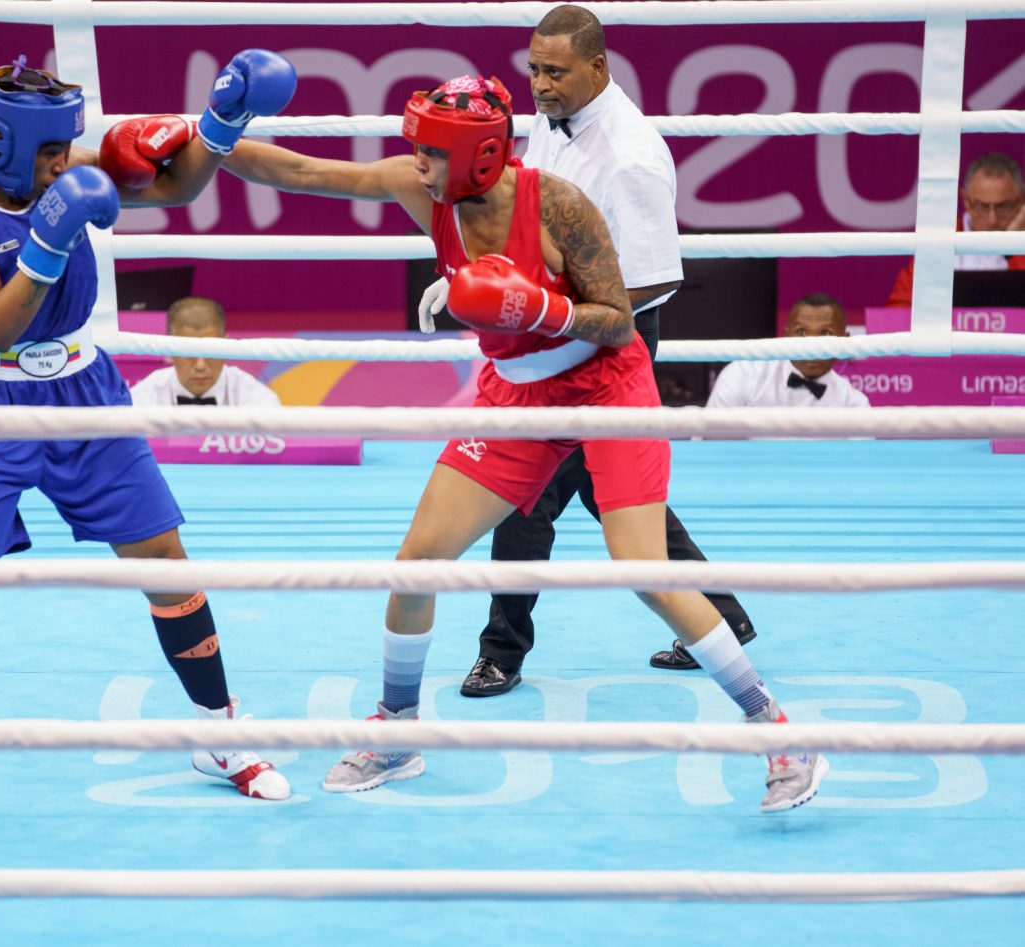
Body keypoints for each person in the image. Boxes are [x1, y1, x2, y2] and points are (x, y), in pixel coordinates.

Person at [225, 74, 827, 812]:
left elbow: (616, 319)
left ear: (478, 155)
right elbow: (306, 171)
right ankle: (396, 731)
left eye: (432, 153)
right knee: (417, 563)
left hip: (606, 385)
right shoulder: (425, 190)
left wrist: (534, 305)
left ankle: (781, 735)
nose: (417, 163)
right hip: (516, 393)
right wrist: (213, 134)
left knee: (646, 571)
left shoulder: (560, 206)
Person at [0, 51, 298, 810]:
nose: (66, 164)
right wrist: (52, 236)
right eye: (53, 152)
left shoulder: (66, 171)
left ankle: (219, 728)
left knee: (165, 561)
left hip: (86, 391)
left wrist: (221, 120)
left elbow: (176, 187)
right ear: (2, 142)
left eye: (69, 149)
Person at [419, 5, 755, 686]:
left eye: (555, 71)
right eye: (533, 69)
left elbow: (647, 288)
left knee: (529, 495)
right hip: (544, 336)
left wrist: (538, 312)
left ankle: (501, 650)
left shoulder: (628, 157)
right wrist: (471, 278)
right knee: (612, 497)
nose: (539, 85)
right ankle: (722, 613)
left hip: (607, 343)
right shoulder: (549, 119)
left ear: (597, 68)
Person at [886, 152, 1025, 306]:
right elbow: (899, 311)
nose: (992, 219)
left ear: (1021, 201)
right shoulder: (938, 242)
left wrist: (1013, 250)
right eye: (982, 206)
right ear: (966, 200)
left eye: (1002, 206)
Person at [708, 293, 871, 409]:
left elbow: (859, 458)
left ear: (845, 340)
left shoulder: (854, 404)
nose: (811, 346)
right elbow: (710, 447)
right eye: (802, 332)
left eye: (825, 333)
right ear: (786, 335)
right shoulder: (743, 375)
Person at [129, 296, 281, 406]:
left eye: (211, 351)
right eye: (189, 353)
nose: (200, 366)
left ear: (227, 348)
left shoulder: (258, 401)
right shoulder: (142, 399)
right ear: (168, 350)